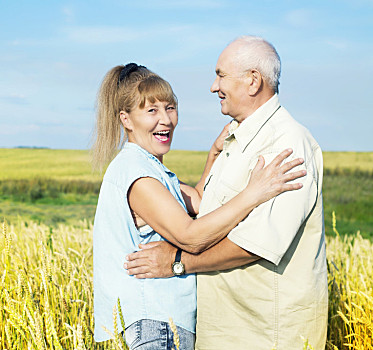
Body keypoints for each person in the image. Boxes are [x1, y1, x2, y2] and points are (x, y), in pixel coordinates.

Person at [124, 36, 328, 349]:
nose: (212, 86)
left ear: (253, 81)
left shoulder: (284, 145)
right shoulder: (237, 139)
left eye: (220, 75)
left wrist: (179, 262)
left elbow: (255, 244)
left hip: (264, 334)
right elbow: (208, 209)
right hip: (227, 330)